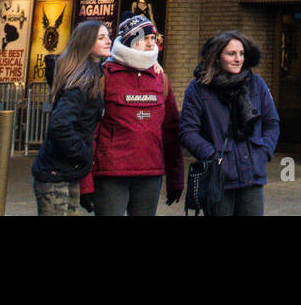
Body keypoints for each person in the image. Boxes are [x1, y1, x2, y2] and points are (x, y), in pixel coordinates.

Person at [81, 15, 183, 216]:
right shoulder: (104, 77)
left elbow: (171, 131)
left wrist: (175, 178)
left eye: (152, 39)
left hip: (150, 174)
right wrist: (86, 185)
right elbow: (88, 132)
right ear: (128, 41)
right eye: (143, 38)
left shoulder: (160, 79)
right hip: (111, 175)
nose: (149, 44)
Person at [179, 31, 280, 216]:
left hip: (252, 177)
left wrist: (263, 152)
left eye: (241, 53)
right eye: (231, 54)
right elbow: (187, 131)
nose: (238, 59)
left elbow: (272, 123)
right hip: (218, 179)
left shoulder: (256, 84)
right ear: (217, 57)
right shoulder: (199, 88)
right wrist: (212, 156)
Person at [32, 21, 110, 215]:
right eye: (101, 38)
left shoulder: (90, 72)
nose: (109, 41)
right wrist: (83, 152)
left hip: (68, 171)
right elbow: (59, 125)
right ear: (85, 43)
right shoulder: (81, 81)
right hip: (55, 172)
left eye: (108, 36)